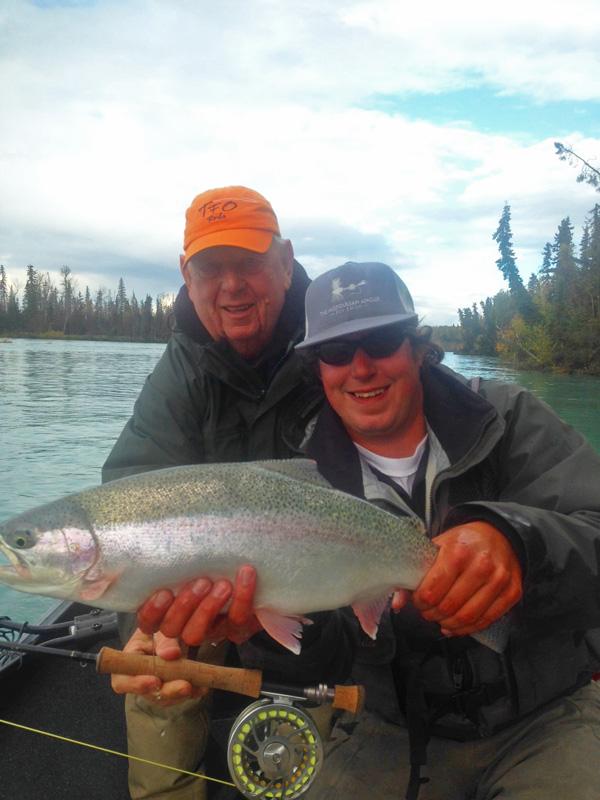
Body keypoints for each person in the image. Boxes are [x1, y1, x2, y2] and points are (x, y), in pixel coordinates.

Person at [144, 261, 600, 800]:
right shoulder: (302, 480)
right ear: (318, 367)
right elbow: (325, 661)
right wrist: (255, 632)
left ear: (417, 347)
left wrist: (519, 542)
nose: (359, 368)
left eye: (380, 342)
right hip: (385, 728)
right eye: (336, 352)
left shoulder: (505, 418)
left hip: (548, 715)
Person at [103, 185, 337, 800]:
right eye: (211, 268)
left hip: (320, 589)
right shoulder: (181, 368)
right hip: (202, 593)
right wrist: (146, 622)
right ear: (187, 275)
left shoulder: (338, 352)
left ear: (285, 262)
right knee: (160, 670)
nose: (231, 286)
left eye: (250, 263)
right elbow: (127, 498)